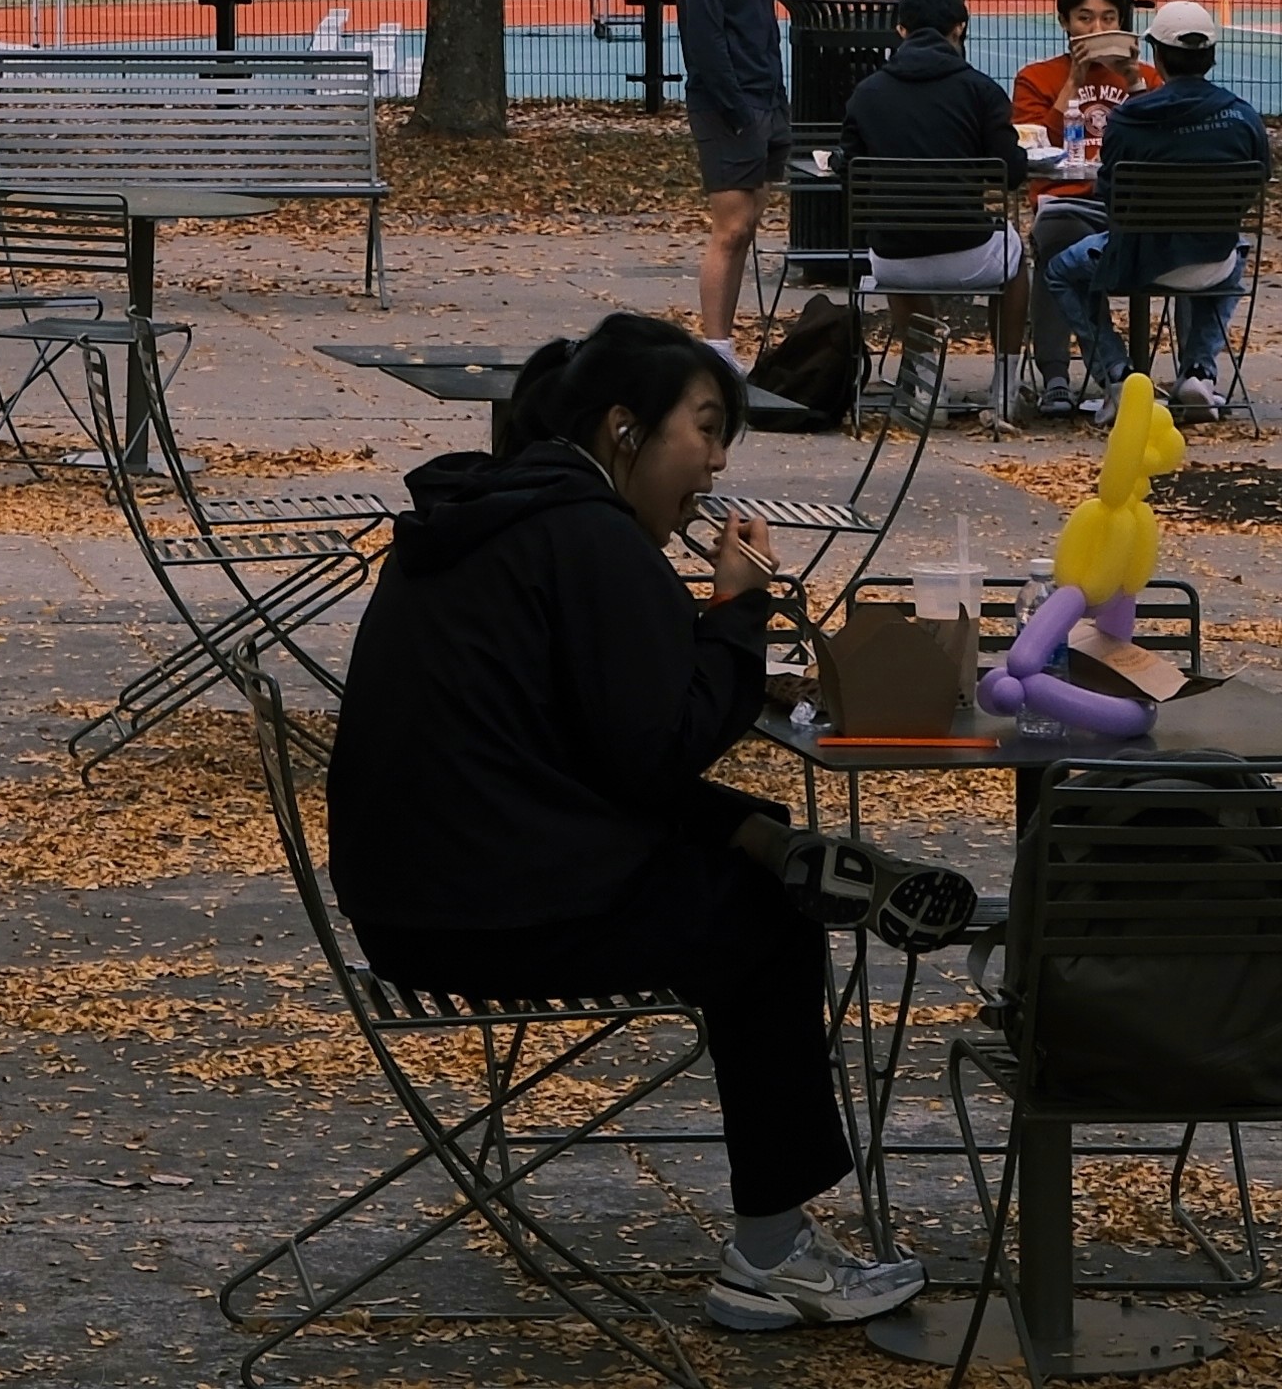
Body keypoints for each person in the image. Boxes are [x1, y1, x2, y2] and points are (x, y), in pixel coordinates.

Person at [324, 317, 927, 1334]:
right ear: (623, 428)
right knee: (767, 927)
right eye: (706, 427)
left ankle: (777, 846)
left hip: (407, 893)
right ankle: (771, 1253)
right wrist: (737, 613)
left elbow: (591, 742)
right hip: (486, 908)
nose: (719, 461)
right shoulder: (590, 537)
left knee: (743, 861)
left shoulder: (492, 509)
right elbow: (656, 747)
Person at [1044, 0, 1268, 416]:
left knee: (1059, 271)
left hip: (1138, 261)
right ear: (1211, 56)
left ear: (1158, 57)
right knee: (1236, 248)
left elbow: (1110, 196)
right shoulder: (1242, 117)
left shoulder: (1130, 119)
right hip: (1213, 260)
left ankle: (1118, 374)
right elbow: (1252, 187)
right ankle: (1199, 370)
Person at [836, 0, 1026, 344]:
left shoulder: (866, 93)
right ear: (959, 28)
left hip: (892, 258)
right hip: (967, 250)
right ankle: (1005, 371)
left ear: (901, 30)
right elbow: (1011, 173)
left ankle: (922, 368)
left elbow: (852, 174)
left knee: (902, 249)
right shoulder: (981, 90)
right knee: (1015, 258)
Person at [676, 0, 789, 348]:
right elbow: (704, 39)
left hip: (764, 98)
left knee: (746, 228)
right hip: (730, 106)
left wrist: (773, 101)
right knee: (731, 229)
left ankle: (722, 346)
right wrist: (737, 109)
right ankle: (716, 347)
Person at [1010, 0, 1146, 148]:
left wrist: (1135, 85)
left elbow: (1157, 139)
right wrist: (1073, 84)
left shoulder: (1146, 77)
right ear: (1064, 21)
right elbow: (1033, 149)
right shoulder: (1034, 79)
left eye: (1108, 19)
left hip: (1120, 167)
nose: (1097, 29)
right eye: (1085, 18)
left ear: (1120, 21)